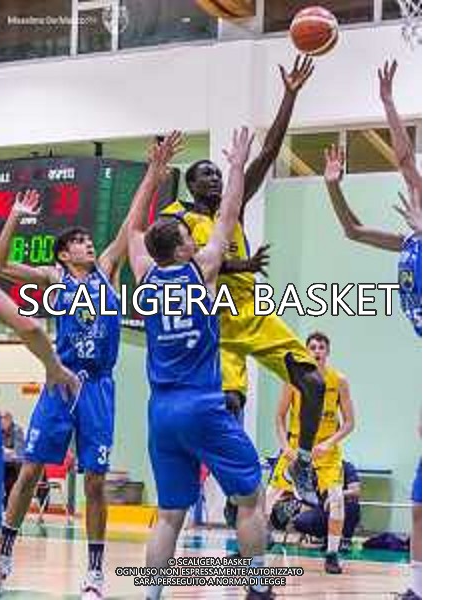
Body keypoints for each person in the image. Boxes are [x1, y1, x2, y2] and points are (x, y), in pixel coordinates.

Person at [162, 56, 325, 504]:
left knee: (314, 383)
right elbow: (180, 265)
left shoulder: (233, 207)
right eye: (206, 174)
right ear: (191, 185)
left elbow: (268, 152)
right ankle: (227, 491)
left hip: (250, 313)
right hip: (210, 322)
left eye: (218, 172)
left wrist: (289, 95)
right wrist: (238, 266)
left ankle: (303, 461)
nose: (215, 178)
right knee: (229, 405)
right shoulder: (175, 218)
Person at [127, 130, 273, 600]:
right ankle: (258, 587)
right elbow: (229, 212)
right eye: (189, 235)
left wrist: (154, 172)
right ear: (183, 248)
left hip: (161, 412)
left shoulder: (145, 275)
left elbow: (133, 229)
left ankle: (152, 595)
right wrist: (237, 165)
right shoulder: (201, 270)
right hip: (203, 404)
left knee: (170, 514)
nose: (195, 236)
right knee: (250, 497)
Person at [0, 188, 128, 599]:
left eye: (89, 240)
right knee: (30, 471)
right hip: (61, 383)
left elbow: (129, 228)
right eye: (79, 241)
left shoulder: (106, 270)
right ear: (64, 255)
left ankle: (95, 573)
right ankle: (3, 554)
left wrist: (154, 174)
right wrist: (16, 216)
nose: (88, 244)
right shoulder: (55, 278)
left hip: (99, 386)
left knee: (95, 482)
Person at [323, 60, 422, 599]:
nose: (415, 193)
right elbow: (352, 229)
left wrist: (388, 104)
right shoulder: (409, 241)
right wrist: (333, 187)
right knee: (421, 499)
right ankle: (419, 586)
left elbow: (407, 162)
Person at [268, 331, 355, 574]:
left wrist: (330, 443)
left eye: (321, 347)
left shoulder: (339, 380)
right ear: (306, 352)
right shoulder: (293, 380)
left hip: (326, 450)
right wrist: (285, 447)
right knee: (269, 496)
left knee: (337, 499)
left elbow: (349, 423)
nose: (317, 351)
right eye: (313, 347)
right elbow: (279, 417)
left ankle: (332, 554)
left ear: (327, 352)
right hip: (297, 448)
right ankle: (254, 544)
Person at [290, 460, 361, 553]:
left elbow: (355, 491)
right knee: (300, 521)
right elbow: (309, 498)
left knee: (352, 506)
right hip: (323, 509)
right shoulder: (314, 469)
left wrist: (335, 496)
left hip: (343, 506)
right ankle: (327, 538)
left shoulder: (346, 466)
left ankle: (345, 539)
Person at [0, 410, 26, 508]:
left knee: (9, 478)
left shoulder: (17, 430)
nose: (0, 424)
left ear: (9, 420)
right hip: (3, 463)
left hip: (15, 465)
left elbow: (18, 452)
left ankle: (8, 506)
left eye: (2, 421)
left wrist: (5, 451)